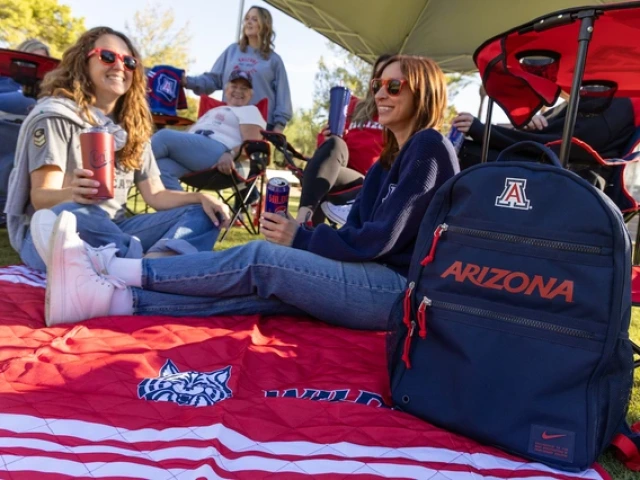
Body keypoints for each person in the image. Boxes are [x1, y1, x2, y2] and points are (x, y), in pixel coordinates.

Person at [41, 54, 459, 329]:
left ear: (422, 92)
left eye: (394, 87)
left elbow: (377, 240)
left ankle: (112, 269)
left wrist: (303, 238)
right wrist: (308, 242)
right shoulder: (390, 159)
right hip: (376, 283)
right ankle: (113, 302)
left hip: (397, 292)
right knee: (265, 292)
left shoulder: (428, 147)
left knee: (261, 259)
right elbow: (363, 229)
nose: (380, 95)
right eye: (377, 86)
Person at [4, 26, 230, 273]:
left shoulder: (132, 127)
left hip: (116, 231)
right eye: (108, 57)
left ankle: (146, 266)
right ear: (83, 62)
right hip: (59, 231)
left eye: (130, 62)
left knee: (205, 213)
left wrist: (200, 197)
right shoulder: (57, 116)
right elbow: (40, 199)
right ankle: (152, 268)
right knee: (75, 213)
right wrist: (72, 193)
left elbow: (156, 195)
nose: (120, 66)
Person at [296, 54, 390, 226]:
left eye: (390, 81)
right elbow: (326, 149)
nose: (382, 85)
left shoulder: (395, 112)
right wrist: (326, 136)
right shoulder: (355, 106)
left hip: (370, 181)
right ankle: (303, 222)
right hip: (342, 167)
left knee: (319, 177)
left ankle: (303, 233)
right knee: (334, 144)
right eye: (378, 78)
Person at [451, 95, 636, 170]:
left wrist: (484, 131)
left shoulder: (617, 104)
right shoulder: (598, 95)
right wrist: (523, 124)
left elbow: (554, 144)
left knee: (459, 153)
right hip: (549, 168)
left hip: (561, 178)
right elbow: (543, 134)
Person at [183, 6, 291, 133]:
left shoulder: (274, 60)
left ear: (265, 25)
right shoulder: (232, 51)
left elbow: (283, 96)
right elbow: (213, 80)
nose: (248, 22)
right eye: (246, 19)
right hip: (229, 119)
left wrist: (279, 127)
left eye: (254, 19)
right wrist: (187, 81)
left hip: (258, 124)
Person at [152, 70, 266, 191]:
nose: (238, 91)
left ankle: (130, 165)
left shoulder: (250, 110)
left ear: (251, 94)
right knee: (161, 167)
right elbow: (187, 135)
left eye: (244, 89)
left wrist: (231, 154)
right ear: (226, 90)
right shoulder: (215, 110)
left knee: (163, 137)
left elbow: (252, 144)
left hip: (220, 154)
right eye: (234, 86)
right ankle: (187, 209)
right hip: (196, 154)